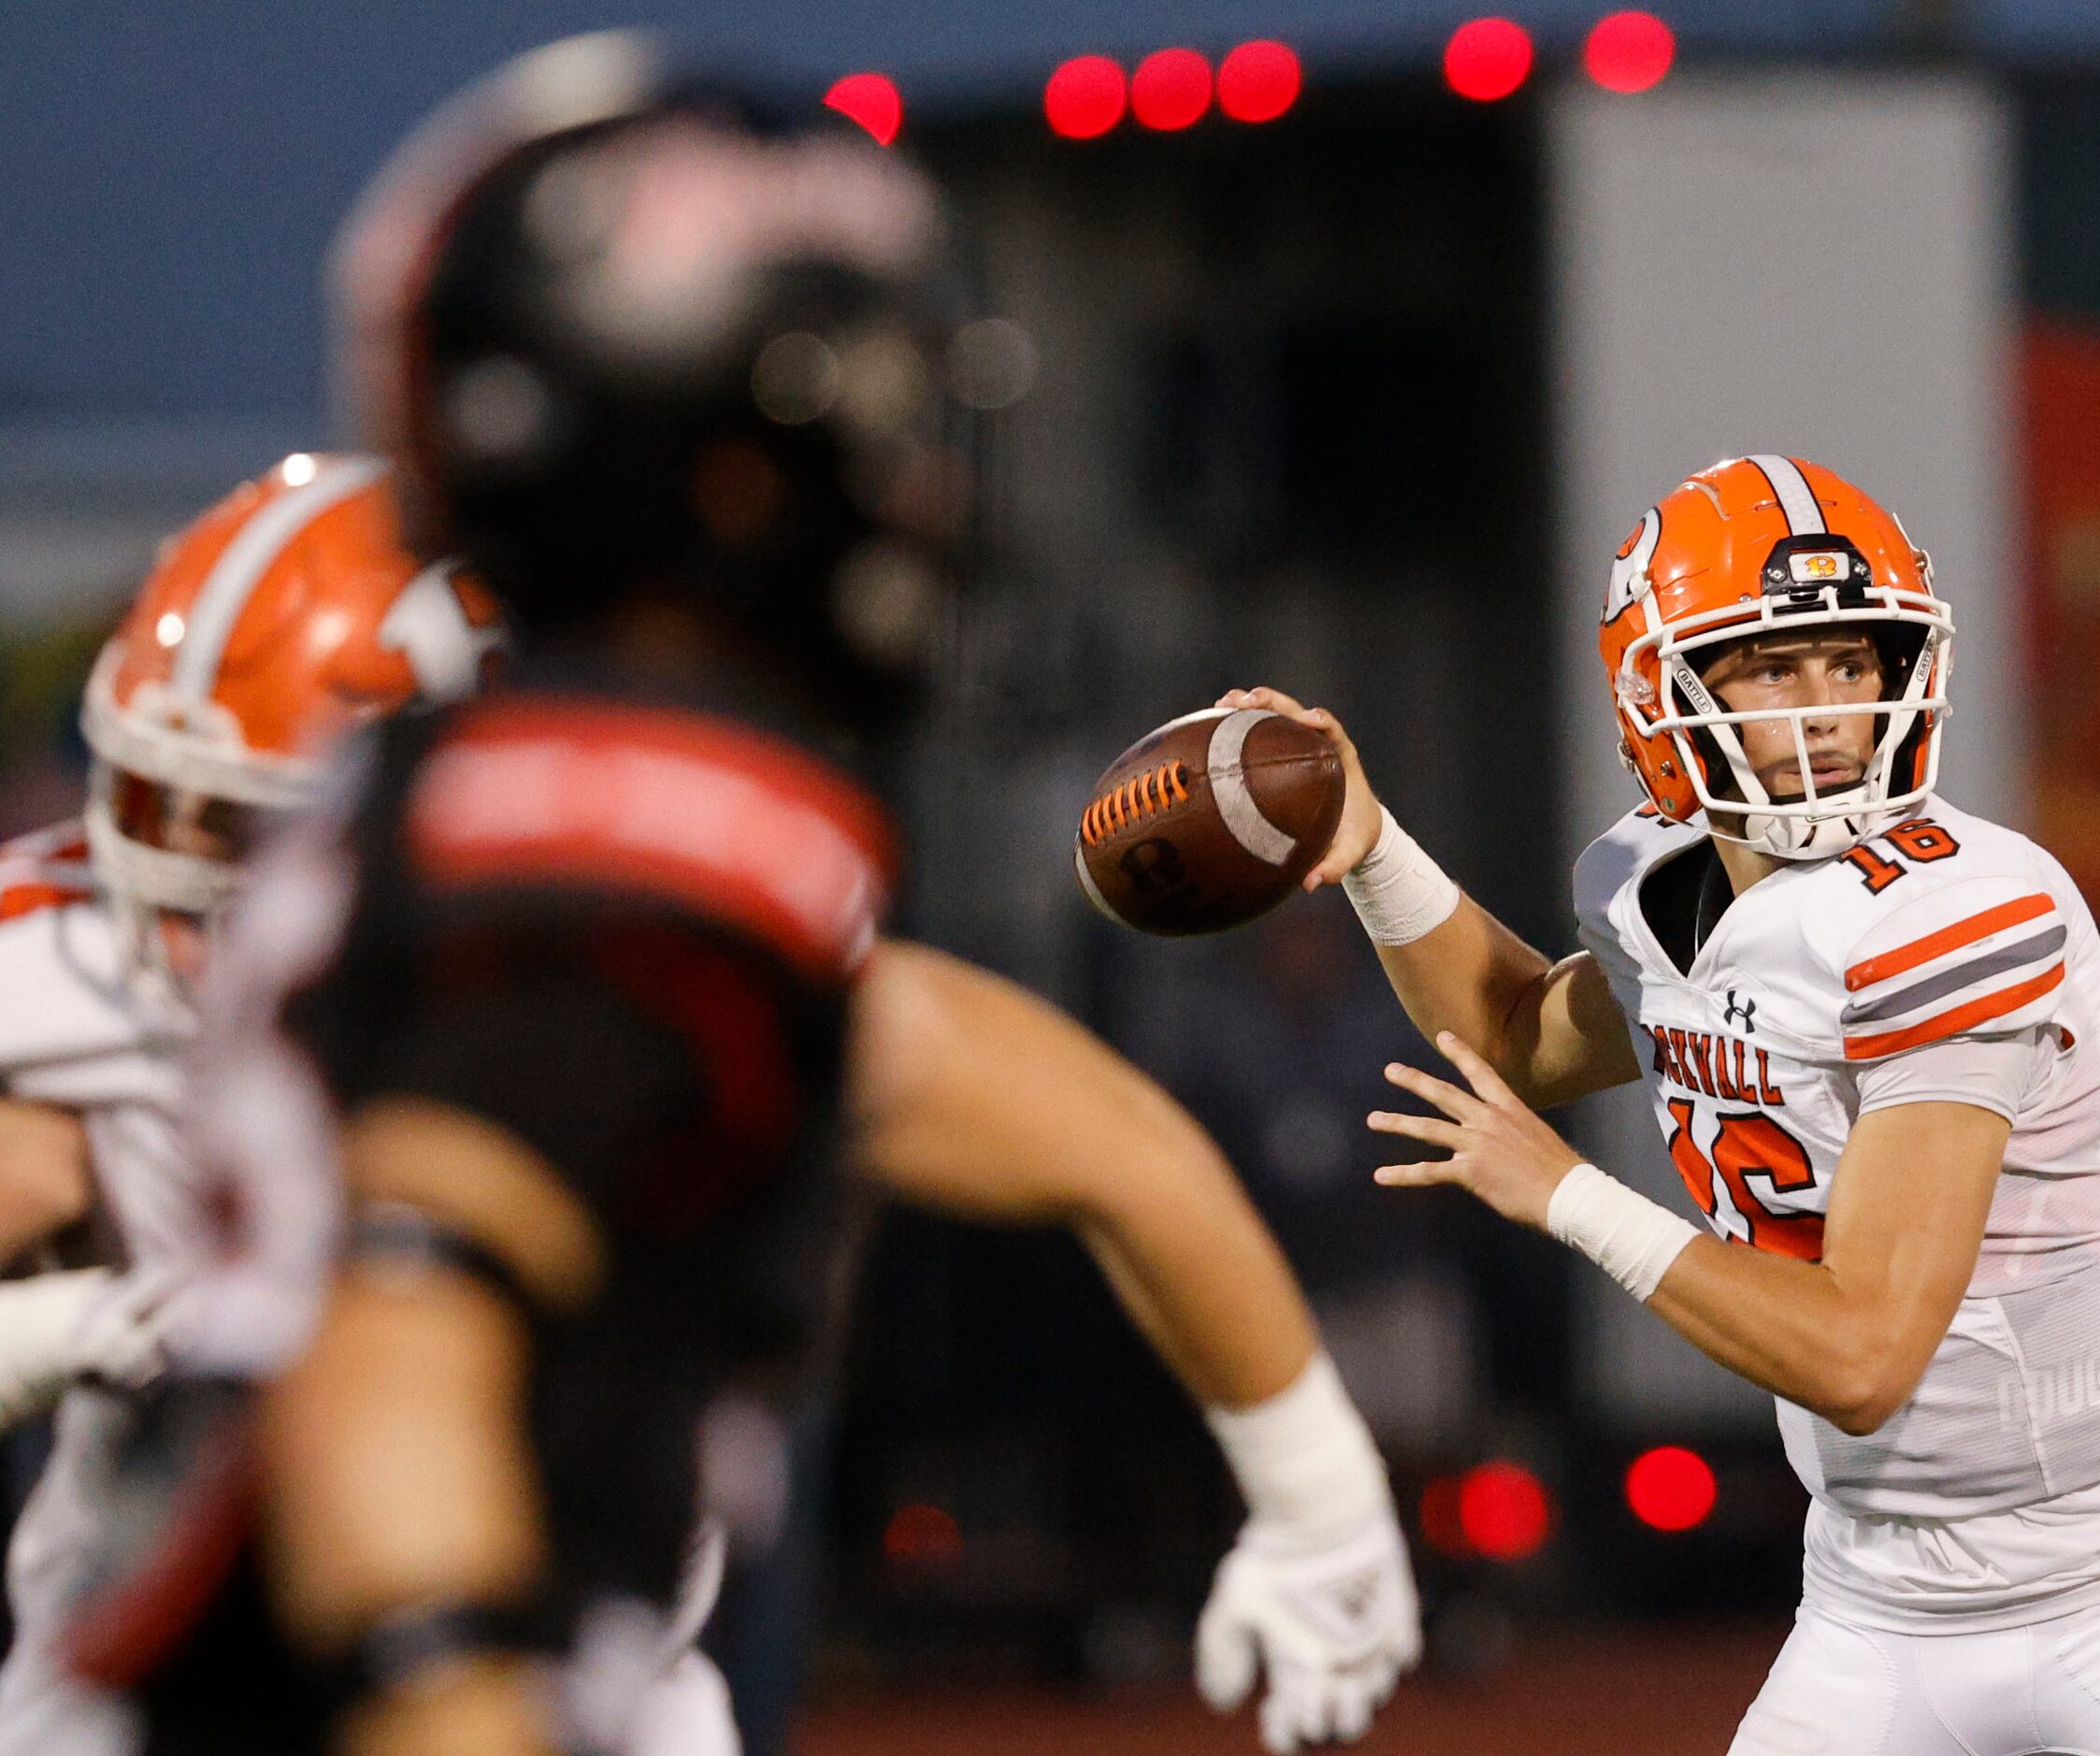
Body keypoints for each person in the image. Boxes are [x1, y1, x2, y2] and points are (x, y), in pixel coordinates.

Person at [100, 36, 1416, 1756]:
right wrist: (451, 1692)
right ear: (701, 448)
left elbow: (1096, 1138)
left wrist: (1317, 1497)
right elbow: (398, 1341)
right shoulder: (654, 824)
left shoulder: (472, 816)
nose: (916, 478)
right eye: (861, 407)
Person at [1226, 453, 2100, 1755]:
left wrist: (1567, 1195)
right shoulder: (1657, 880)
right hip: (1875, 1594)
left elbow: (1863, 1355)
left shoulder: (1963, 911)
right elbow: (1513, 1038)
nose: (1824, 707)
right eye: (1771, 666)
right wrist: (1371, 844)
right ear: (1664, 691)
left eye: (1851, 659)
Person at [0, 455, 502, 1756]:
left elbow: (1107, 1152)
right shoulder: (76, 972)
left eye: (236, 827)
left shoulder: (667, 975)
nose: (172, 873)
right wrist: (65, 1328)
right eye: (165, 801)